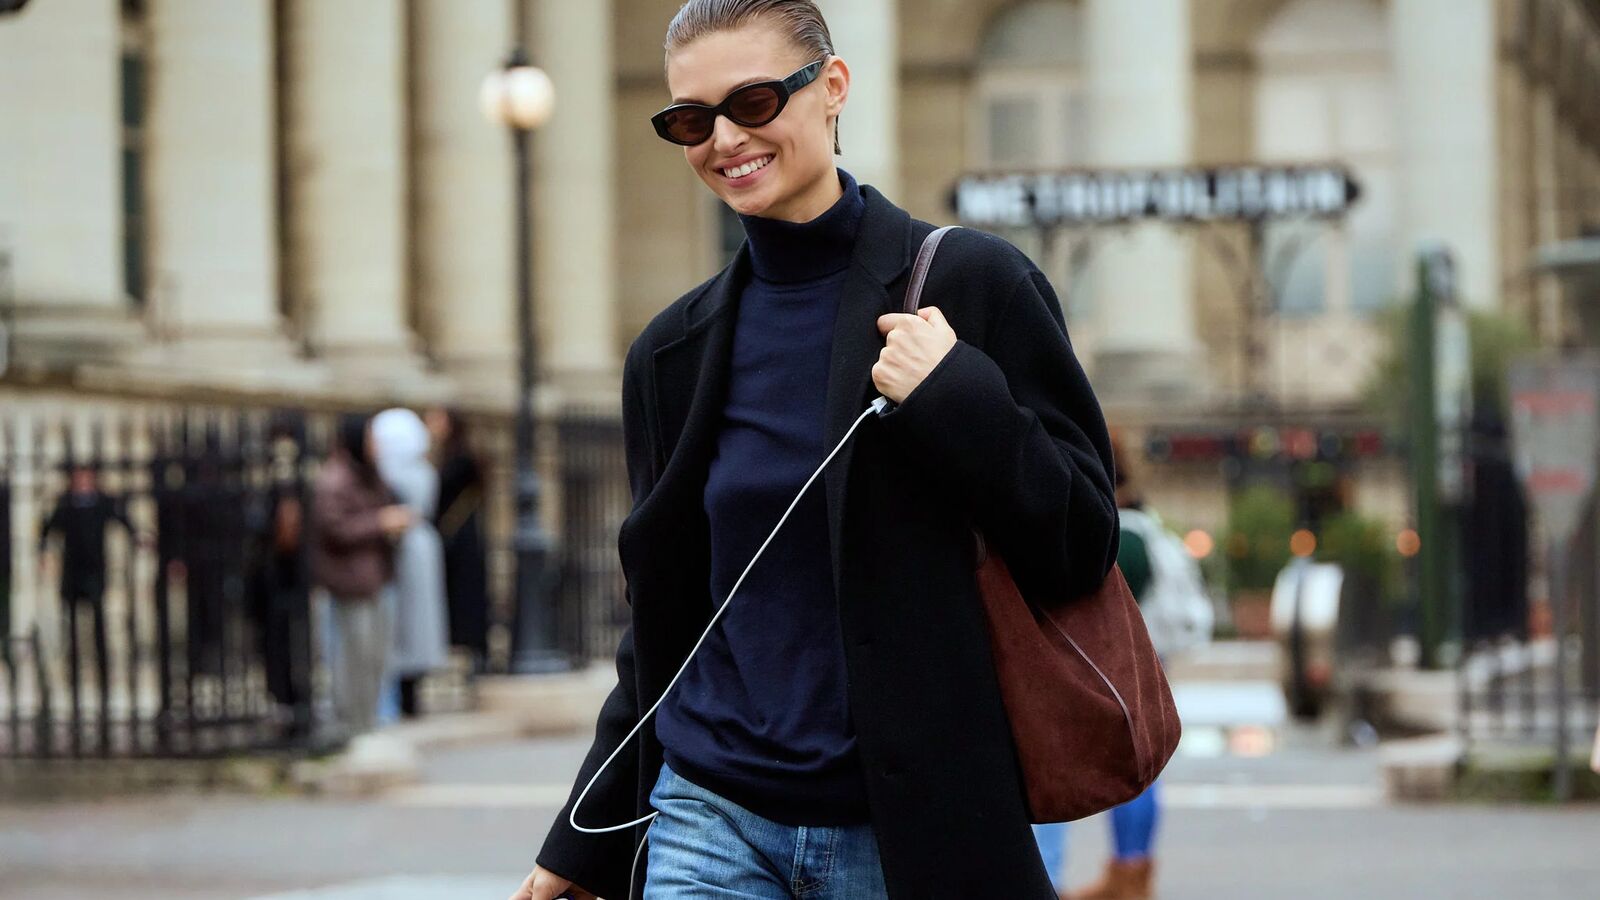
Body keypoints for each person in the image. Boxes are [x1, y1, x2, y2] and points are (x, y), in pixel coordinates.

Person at [513, 3, 1118, 898]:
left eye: (753, 102)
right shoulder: (670, 353)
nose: (723, 139)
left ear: (832, 88)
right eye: (691, 119)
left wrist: (955, 394)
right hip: (709, 816)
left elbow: (1080, 542)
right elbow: (667, 624)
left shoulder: (973, 283)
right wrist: (581, 839)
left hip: (908, 830)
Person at [1034, 435, 1162, 900]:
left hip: (1105, 661)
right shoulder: (1142, 524)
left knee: (1053, 759)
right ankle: (1132, 872)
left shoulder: (1116, 530)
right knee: (1139, 764)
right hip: (1133, 661)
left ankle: (1106, 875)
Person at [310, 414, 410, 735]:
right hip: (350, 583)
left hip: (377, 579)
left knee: (375, 659)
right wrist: (380, 523)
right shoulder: (334, 480)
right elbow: (334, 528)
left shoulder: (371, 475)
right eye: (371, 438)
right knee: (353, 657)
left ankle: (366, 723)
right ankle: (349, 725)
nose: (376, 446)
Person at [39, 463, 143, 751]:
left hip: (95, 572)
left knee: (97, 625)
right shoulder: (66, 503)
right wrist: (43, 553)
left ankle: (103, 677)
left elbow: (123, 520)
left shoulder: (102, 502)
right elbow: (48, 528)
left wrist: (139, 537)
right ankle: (72, 677)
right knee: (71, 625)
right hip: (71, 574)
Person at [371, 408, 449, 719]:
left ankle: (403, 694)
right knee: (414, 624)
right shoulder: (423, 470)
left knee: (406, 624)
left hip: (404, 549)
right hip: (420, 546)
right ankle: (408, 694)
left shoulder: (393, 471)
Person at [425, 407, 490, 672]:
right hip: (454, 538)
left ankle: (473, 653)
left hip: (459, 539)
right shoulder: (449, 456)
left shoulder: (459, 460)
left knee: (465, 599)